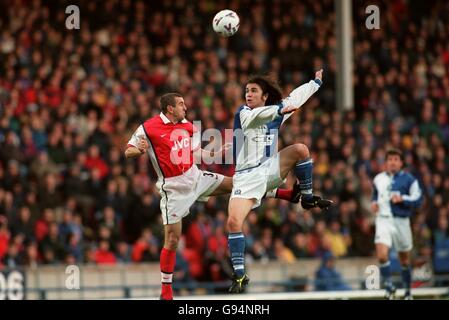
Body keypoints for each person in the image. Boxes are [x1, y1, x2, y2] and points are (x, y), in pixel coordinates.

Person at [125, 93, 305, 300]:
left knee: (239, 183)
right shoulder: (149, 127)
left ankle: (286, 194)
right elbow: (127, 150)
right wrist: (138, 150)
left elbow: (195, 153)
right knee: (173, 239)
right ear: (169, 108)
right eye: (181, 104)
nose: (186, 106)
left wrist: (216, 153)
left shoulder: (187, 125)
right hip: (174, 189)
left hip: (195, 176)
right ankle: (166, 291)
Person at [227, 70, 333, 293]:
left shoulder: (276, 112)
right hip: (246, 177)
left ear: (264, 95)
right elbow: (257, 118)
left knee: (301, 150)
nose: (248, 94)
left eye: (253, 90)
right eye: (247, 90)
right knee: (234, 223)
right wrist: (279, 109)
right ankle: (239, 275)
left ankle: (306, 198)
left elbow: (295, 98)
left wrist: (315, 83)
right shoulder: (244, 113)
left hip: (270, 169)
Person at [371, 148, 423, 300]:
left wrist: (403, 199)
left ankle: (407, 292)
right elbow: (375, 194)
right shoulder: (378, 179)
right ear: (386, 163)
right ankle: (389, 287)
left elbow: (418, 199)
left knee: (405, 259)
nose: (392, 162)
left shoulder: (409, 179)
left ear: (401, 163)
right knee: (381, 255)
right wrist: (374, 203)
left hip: (401, 221)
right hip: (383, 219)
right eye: (390, 159)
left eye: (396, 159)